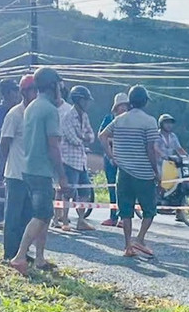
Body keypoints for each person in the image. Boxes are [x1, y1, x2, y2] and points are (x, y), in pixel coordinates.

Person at [7, 67, 71, 275]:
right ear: (53, 86)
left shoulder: (31, 107)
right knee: (42, 214)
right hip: (42, 169)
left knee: (43, 214)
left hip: (28, 167)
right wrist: (62, 176)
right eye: (59, 85)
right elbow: (53, 145)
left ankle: (41, 258)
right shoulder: (50, 110)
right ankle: (19, 256)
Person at [99, 84, 162, 258]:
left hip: (123, 172)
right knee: (149, 209)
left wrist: (111, 156)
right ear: (145, 102)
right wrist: (156, 172)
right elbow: (150, 149)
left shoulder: (119, 119)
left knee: (125, 210)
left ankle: (128, 246)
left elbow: (102, 136)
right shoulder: (149, 121)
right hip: (143, 173)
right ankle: (140, 239)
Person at [0, 73, 38, 262]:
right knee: (13, 216)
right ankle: (9, 253)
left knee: (27, 215)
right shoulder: (14, 114)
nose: (36, 94)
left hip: (31, 173)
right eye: (33, 90)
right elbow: (4, 142)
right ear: (24, 92)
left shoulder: (36, 114)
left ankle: (22, 252)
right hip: (15, 173)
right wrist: (8, 162)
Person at [59, 85, 95, 232]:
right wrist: (83, 138)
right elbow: (72, 138)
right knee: (68, 191)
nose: (87, 103)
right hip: (69, 160)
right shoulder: (68, 116)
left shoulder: (84, 116)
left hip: (81, 160)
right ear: (78, 100)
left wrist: (83, 137)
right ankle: (65, 221)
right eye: (85, 100)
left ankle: (81, 220)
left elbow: (91, 136)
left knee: (85, 191)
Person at [0, 78, 21, 227]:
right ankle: (1, 215)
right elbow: (3, 133)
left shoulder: (22, 109)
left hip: (19, 151)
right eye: (14, 91)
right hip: (3, 151)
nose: (17, 94)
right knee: (1, 183)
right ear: (6, 93)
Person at [98, 92, 129, 228]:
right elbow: (101, 135)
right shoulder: (109, 119)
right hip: (110, 157)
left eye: (125, 105)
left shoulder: (130, 120)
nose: (123, 108)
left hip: (125, 157)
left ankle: (124, 217)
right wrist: (111, 150)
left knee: (124, 188)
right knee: (112, 186)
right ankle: (113, 216)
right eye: (120, 105)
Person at [156, 113, 188, 221]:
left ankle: (179, 211)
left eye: (170, 123)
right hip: (159, 163)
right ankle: (159, 199)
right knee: (160, 178)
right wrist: (163, 155)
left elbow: (179, 148)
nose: (169, 125)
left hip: (171, 163)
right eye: (166, 123)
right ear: (161, 124)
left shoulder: (173, 136)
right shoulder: (157, 135)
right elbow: (155, 147)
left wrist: (186, 156)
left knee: (179, 182)